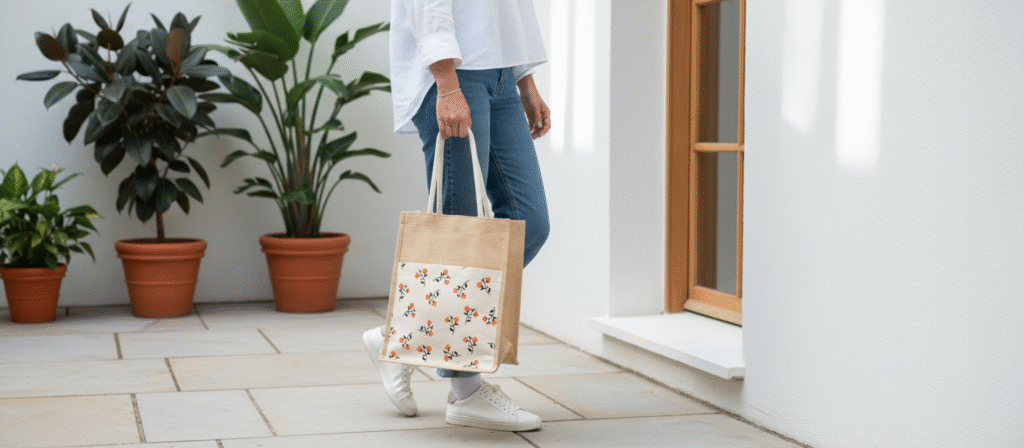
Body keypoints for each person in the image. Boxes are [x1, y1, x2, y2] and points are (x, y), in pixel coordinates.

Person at [362, 0, 552, 432]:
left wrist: (525, 79)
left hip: (502, 71)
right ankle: (465, 392)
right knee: (460, 230)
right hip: (454, 73)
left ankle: (401, 330)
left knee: (530, 222)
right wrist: (446, 83)